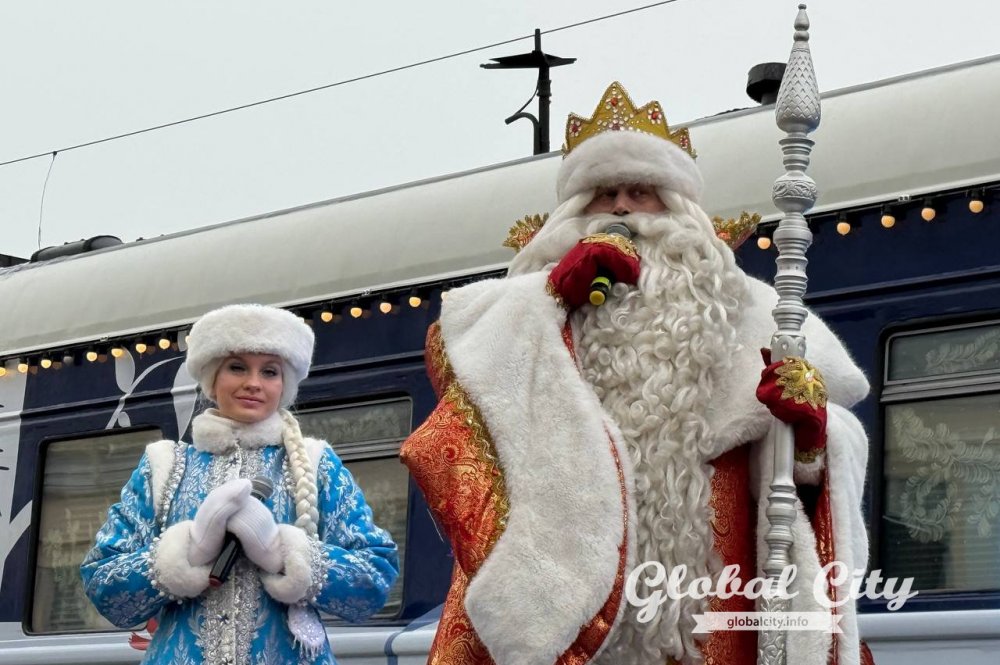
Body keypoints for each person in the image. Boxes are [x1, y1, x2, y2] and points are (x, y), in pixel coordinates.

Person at [400, 82, 872, 665]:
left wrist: (811, 439)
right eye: (604, 194)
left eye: (641, 192)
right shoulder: (526, 306)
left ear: (677, 208)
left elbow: (794, 475)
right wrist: (550, 299)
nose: (621, 209)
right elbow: (458, 377)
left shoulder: (751, 311)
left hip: (711, 618)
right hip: (568, 619)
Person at [81, 303, 399, 664]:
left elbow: (375, 581)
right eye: (237, 367)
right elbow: (103, 586)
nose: (253, 383)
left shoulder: (317, 463)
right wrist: (188, 551)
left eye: (270, 371)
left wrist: (282, 552)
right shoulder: (163, 466)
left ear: (284, 384)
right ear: (212, 377)